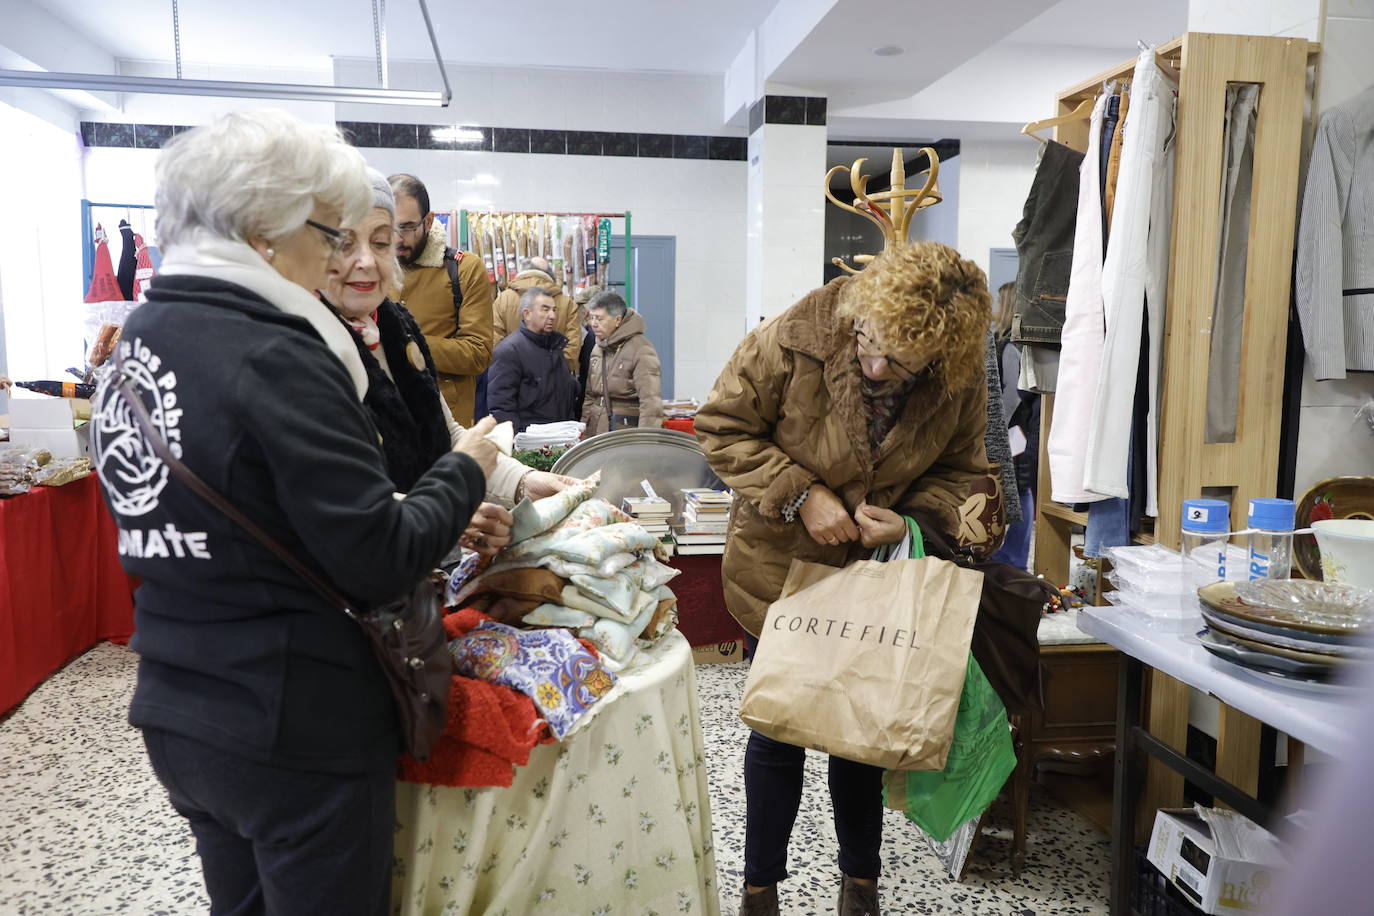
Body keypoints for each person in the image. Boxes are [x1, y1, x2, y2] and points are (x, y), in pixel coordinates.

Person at [87, 109, 509, 916]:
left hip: (181, 699)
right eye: (326, 232)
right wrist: (465, 471)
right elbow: (381, 556)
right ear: (264, 232)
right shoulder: (277, 352)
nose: (338, 255)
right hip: (293, 718)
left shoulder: (143, 336)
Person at [694, 241, 995, 916]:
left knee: (862, 737)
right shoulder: (793, 337)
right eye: (870, 344)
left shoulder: (959, 375)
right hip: (780, 569)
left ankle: (861, 888)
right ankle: (759, 890)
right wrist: (802, 491)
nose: (877, 365)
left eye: (901, 363)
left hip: (876, 577)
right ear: (863, 310)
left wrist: (911, 518)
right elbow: (720, 428)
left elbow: (965, 473)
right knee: (777, 731)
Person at [323, 169, 574, 507]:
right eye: (346, 244)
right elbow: (335, 491)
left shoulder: (399, 327)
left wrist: (525, 481)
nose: (367, 261)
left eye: (381, 243)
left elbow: (447, 434)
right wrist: (441, 512)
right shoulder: (306, 341)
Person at [388, 173, 494, 426]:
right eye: (389, 227)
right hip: (389, 417)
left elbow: (478, 353)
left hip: (447, 422)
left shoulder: (464, 269)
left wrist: (409, 344)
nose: (397, 239)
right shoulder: (372, 268)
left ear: (429, 221)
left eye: (407, 227)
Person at [486, 287, 580, 432]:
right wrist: (520, 444)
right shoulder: (509, 351)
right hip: (530, 445)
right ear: (527, 314)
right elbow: (501, 407)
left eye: (554, 310)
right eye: (545, 309)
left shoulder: (556, 347)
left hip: (562, 438)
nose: (552, 316)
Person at [580, 290, 663, 435]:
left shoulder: (641, 349)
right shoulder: (598, 347)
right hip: (595, 430)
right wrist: (582, 430)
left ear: (617, 320)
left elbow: (650, 404)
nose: (593, 324)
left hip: (624, 433)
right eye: (591, 318)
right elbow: (590, 396)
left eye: (599, 319)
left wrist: (644, 441)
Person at [491, 256, 581, 373]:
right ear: (550, 273)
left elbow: (494, 340)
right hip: (554, 379)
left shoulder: (504, 299)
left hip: (512, 375)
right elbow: (572, 348)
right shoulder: (566, 303)